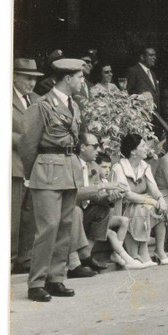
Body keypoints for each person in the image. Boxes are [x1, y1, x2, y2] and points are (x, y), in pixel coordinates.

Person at [18, 58, 89, 302]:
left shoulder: (74, 105)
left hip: (69, 170)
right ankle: (36, 282)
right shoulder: (42, 105)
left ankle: (56, 277)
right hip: (47, 170)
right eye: (79, 77)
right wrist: (32, 173)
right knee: (47, 228)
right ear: (67, 78)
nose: (83, 81)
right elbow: (28, 145)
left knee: (64, 227)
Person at [67, 133, 124, 278]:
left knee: (105, 209)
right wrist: (99, 187)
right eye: (95, 146)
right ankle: (74, 263)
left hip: (85, 212)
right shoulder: (70, 163)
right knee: (76, 211)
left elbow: (99, 196)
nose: (98, 150)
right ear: (82, 147)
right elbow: (73, 195)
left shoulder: (95, 167)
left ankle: (86, 254)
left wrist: (110, 197)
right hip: (67, 211)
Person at [111, 133, 168, 267]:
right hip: (124, 208)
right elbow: (127, 195)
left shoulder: (144, 166)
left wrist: (160, 199)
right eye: (143, 146)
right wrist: (151, 201)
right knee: (146, 207)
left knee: (157, 208)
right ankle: (141, 252)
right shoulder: (119, 168)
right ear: (133, 151)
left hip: (140, 204)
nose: (146, 149)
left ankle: (160, 251)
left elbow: (153, 188)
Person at [12, 58, 42, 274]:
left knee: (31, 215)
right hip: (13, 164)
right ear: (14, 76)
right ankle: (9, 260)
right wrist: (28, 141)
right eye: (27, 78)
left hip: (34, 166)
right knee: (12, 216)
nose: (31, 83)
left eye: (34, 79)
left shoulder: (37, 100)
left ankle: (25, 259)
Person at [125, 46, 161, 112]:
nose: (154, 58)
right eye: (151, 55)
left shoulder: (152, 73)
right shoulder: (133, 71)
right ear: (142, 57)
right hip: (141, 115)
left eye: (155, 55)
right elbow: (127, 93)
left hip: (155, 114)